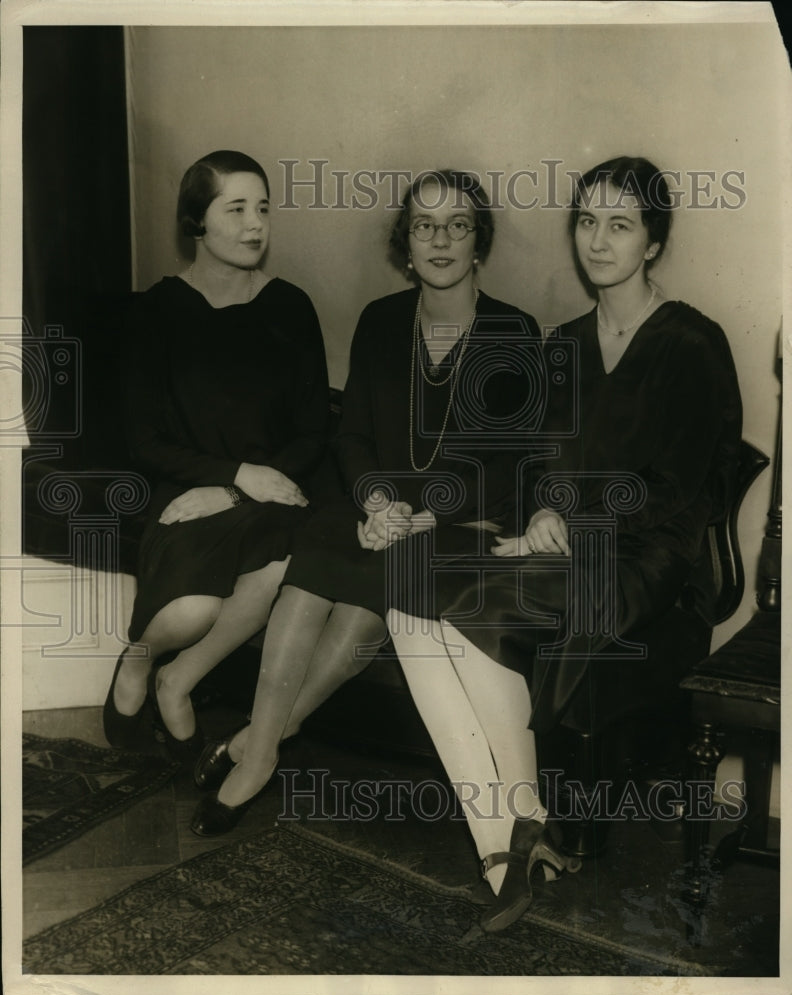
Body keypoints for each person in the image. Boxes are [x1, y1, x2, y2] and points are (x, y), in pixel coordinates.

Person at [387, 155, 743, 932]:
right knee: (409, 602)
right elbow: (540, 465)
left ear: (653, 241)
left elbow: (679, 491)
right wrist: (543, 513)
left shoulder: (692, 342)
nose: (599, 240)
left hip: (648, 567)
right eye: (587, 221)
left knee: (468, 611)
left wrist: (572, 526)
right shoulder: (564, 343)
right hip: (563, 552)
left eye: (620, 224)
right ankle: (514, 830)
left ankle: (505, 850)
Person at [189, 168, 541, 835]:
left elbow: (512, 465)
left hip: (453, 521)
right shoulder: (381, 322)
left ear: (479, 244)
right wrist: (378, 502)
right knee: (315, 568)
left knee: (367, 602)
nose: (440, 240)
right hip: (374, 509)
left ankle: (255, 744)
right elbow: (350, 433)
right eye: (424, 226)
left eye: (458, 226)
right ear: (405, 244)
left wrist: (423, 515)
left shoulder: (513, 332)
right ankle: (262, 751)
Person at [103, 150, 330, 762]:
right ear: (196, 221)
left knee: (286, 559)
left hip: (273, 493)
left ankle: (179, 682)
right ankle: (138, 664)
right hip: (181, 487)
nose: (255, 223)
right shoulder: (155, 312)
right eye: (236, 209)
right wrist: (228, 478)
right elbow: (145, 441)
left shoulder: (290, 306)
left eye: (262, 208)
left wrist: (239, 487)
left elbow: (314, 431)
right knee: (193, 610)